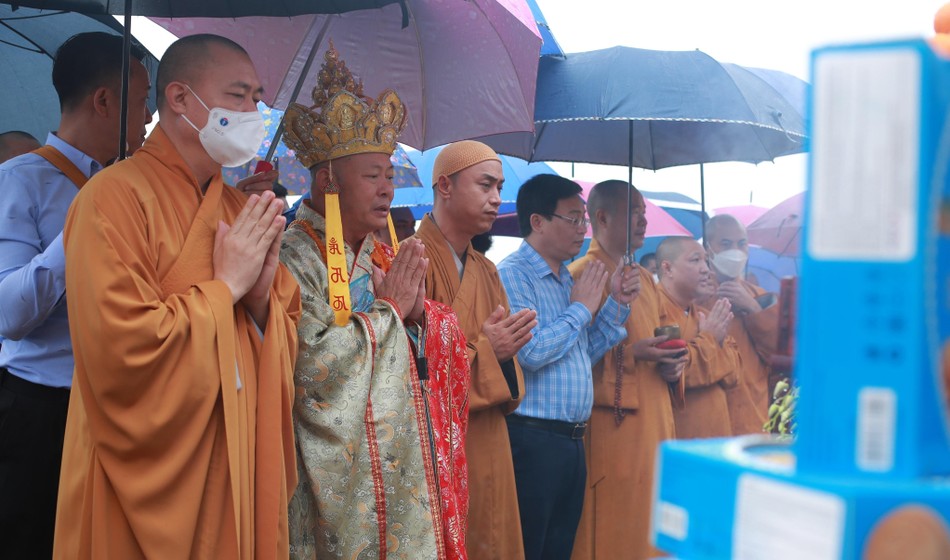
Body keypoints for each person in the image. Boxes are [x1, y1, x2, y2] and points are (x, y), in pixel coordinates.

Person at [54, 34, 301, 559]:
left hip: (231, 449)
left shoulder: (238, 207)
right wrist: (225, 289)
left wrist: (259, 304)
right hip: (144, 469)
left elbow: (286, 328)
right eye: (238, 95)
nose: (254, 110)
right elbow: (120, 349)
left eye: (258, 97)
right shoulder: (111, 197)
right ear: (180, 99)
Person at [279, 45, 471, 559]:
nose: (387, 189)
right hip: (336, 467)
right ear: (327, 179)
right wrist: (387, 315)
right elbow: (311, 366)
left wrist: (419, 320)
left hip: (398, 448)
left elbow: (427, 335)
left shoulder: (382, 252)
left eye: (389, 174)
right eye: (372, 176)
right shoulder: (294, 254)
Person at [0, 32, 152, 560]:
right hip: (43, 409)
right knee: (36, 540)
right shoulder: (20, 180)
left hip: (118, 405)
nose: (149, 119)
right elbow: (10, 313)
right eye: (143, 102)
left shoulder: (136, 186)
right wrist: (85, 224)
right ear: (105, 101)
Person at [497, 174, 638, 560]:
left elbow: (580, 353)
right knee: (529, 547)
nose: (582, 230)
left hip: (571, 440)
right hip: (532, 437)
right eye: (574, 219)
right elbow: (532, 352)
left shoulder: (562, 277)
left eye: (584, 222)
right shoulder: (513, 274)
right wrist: (582, 309)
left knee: (558, 549)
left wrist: (615, 304)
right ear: (538, 221)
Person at [415, 140, 538, 560]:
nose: (497, 199)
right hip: (437, 445)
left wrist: (501, 354)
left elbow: (509, 365)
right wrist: (489, 352)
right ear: (445, 186)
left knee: (492, 533)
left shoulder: (486, 269)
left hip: (488, 436)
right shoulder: (412, 261)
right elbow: (413, 368)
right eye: (486, 185)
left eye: (500, 187)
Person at [568, 181, 686, 560]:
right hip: (613, 426)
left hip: (656, 422)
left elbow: (667, 337)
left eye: (645, 211)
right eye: (634, 211)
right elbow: (571, 361)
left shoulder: (644, 281)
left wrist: (673, 364)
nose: (644, 220)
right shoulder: (582, 273)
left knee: (653, 526)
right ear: (601, 217)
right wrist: (632, 354)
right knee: (615, 530)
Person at [701, 214, 779, 434]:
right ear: (708, 249)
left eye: (741, 244)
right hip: (708, 419)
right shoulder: (693, 296)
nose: (735, 250)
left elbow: (778, 354)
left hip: (753, 415)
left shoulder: (761, 297)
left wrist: (752, 308)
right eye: (726, 244)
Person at [655, 236, 739, 439]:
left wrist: (704, 348)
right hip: (679, 440)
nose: (706, 269)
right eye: (695, 260)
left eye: (706, 261)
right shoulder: (655, 310)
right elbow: (678, 371)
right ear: (668, 269)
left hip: (715, 439)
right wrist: (710, 339)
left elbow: (734, 373)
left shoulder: (705, 315)